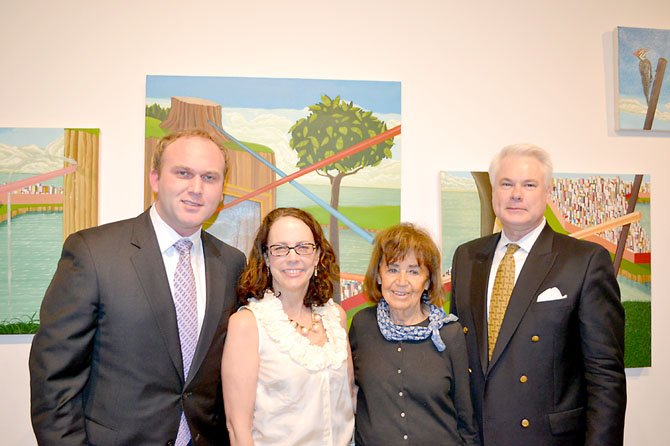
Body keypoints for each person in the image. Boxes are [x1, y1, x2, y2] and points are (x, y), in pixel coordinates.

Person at [29, 129, 246, 445]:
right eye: (183, 173)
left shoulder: (231, 263)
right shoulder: (93, 253)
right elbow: (54, 379)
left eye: (210, 178)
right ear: (155, 179)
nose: (196, 188)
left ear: (222, 190)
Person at [450, 143, 627, 445]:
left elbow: (605, 377)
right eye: (506, 184)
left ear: (547, 192)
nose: (516, 194)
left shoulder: (584, 261)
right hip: (476, 438)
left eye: (529, 185)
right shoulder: (466, 257)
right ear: (494, 192)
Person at [222, 207, 354, 446]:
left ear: (317, 256)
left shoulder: (336, 318)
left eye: (304, 247)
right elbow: (237, 426)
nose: (293, 257)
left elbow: (349, 401)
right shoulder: (248, 324)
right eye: (280, 248)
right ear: (265, 257)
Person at [349, 223, 480, 446]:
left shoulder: (449, 334)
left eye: (413, 271)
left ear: (427, 281)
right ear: (379, 276)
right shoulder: (362, 326)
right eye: (392, 269)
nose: (402, 282)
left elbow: (465, 416)